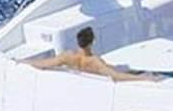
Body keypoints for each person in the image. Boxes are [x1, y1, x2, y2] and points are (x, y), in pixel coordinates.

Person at [25, 27, 159, 82]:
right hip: (96, 80)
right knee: (126, 71)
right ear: (93, 42)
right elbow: (116, 76)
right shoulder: (94, 61)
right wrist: (142, 78)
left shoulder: (68, 56)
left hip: (79, 80)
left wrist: (24, 61)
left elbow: (44, 64)